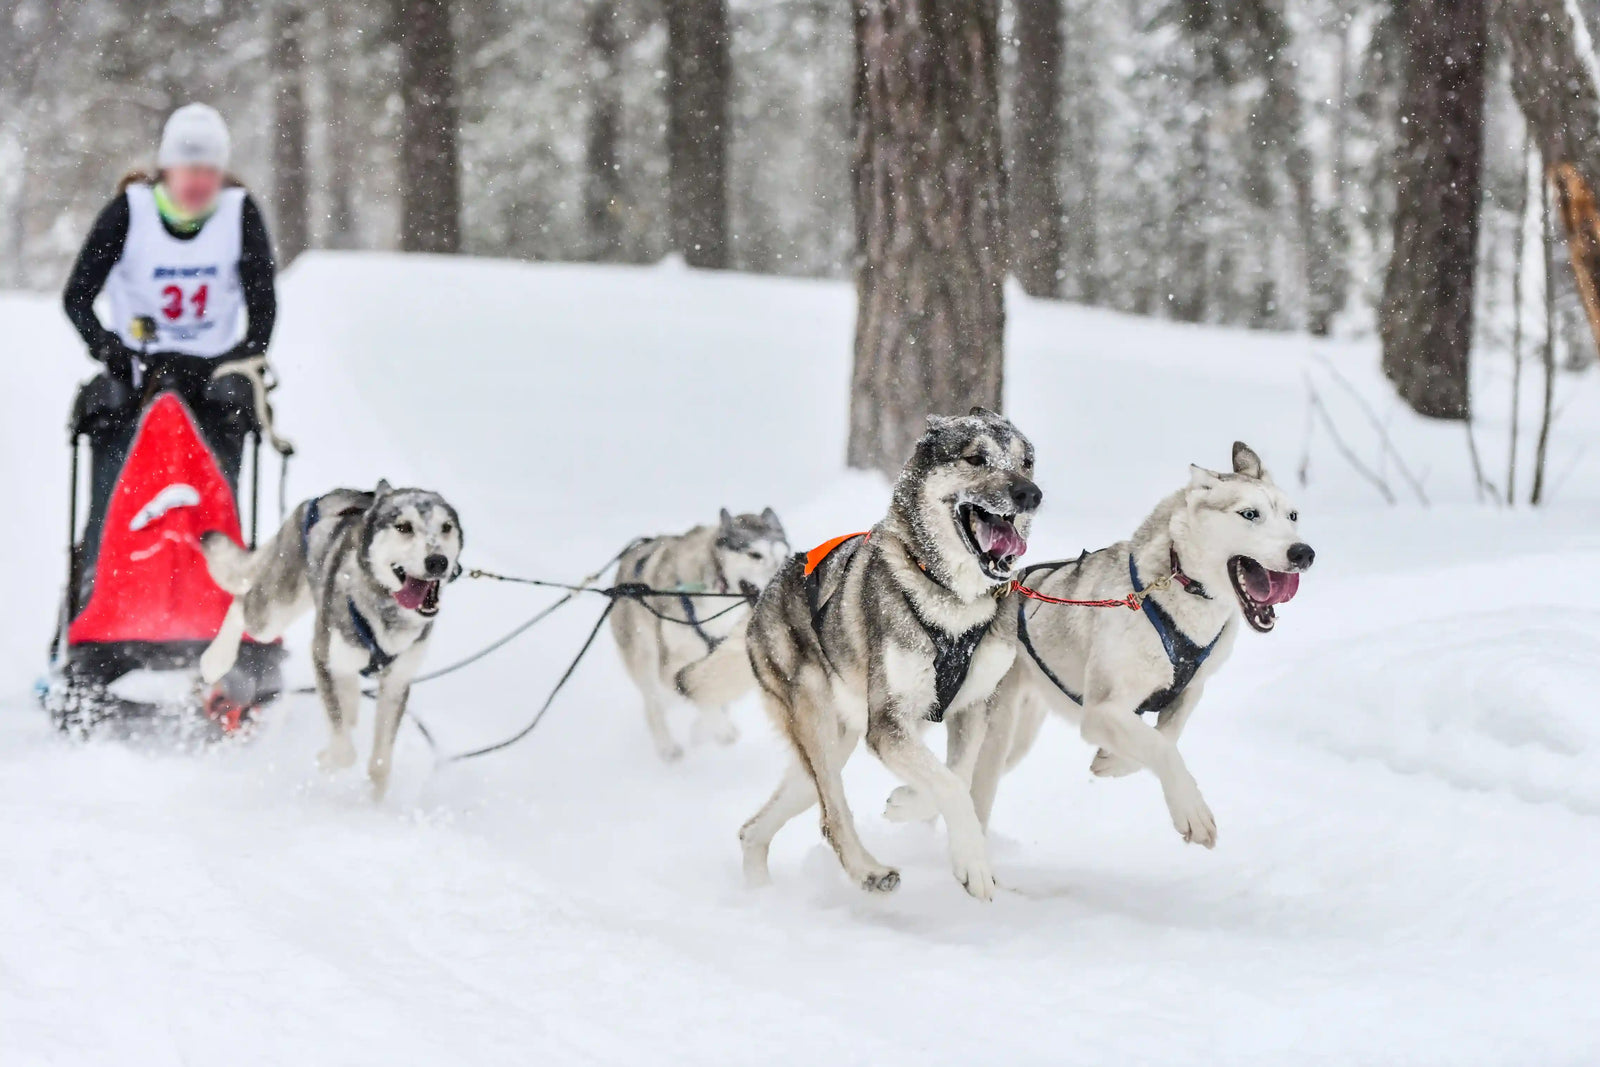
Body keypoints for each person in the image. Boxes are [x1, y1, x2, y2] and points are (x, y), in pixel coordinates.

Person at [62, 104, 277, 566]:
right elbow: (77, 296)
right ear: (167, 167)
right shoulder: (130, 210)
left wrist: (242, 357)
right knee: (113, 428)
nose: (200, 180)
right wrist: (108, 348)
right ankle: (100, 573)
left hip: (210, 371)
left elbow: (263, 306)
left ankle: (224, 579)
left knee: (228, 416)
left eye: (210, 170)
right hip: (141, 372)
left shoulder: (239, 213)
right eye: (189, 167)